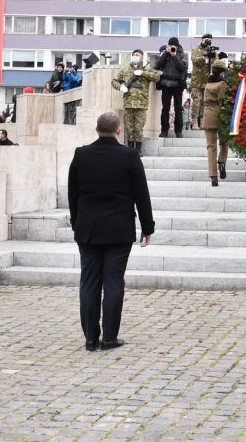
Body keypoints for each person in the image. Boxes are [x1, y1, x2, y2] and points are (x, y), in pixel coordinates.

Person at [68, 112, 154, 351]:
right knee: (114, 281)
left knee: (89, 283)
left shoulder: (81, 155)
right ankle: (109, 338)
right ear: (119, 131)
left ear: (96, 129)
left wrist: (77, 223)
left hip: (88, 230)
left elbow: (72, 194)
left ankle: (90, 338)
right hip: (119, 230)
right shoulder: (129, 156)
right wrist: (148, 228)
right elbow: (141, 195)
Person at [112, 49, 162, 155]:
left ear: (142, 57)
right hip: (129, 103)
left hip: (141, 103)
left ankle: (138, 150)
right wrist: (120, 87)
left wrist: (143, 73)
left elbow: (157, 77)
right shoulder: (125, 70)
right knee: (129, 128)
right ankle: (130, 150)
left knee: (139, 128)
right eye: (133, 55)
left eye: (137, 55)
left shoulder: (147, 69)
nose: (135, 56)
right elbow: (114, 81)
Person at [201, 59, 230, 187]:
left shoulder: (208, 83)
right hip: (220, 115)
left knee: (211, 147)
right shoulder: (222, 84)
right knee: (224, 142)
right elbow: (223, 100)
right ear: (222, 72)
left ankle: (213, 176)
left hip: (208, 115)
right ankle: (222, 162)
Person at [153, 37, 189, 138]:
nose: (173, 48)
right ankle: (164, 130)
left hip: (178, 84)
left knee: (178, 108)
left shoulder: (183, 54)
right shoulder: (164, 54)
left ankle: (178, 131)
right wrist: (165, 53)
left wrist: (175, 56)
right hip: (165, 84)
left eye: (175, 46)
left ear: (178, 46)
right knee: (165, 108)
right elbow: (156, 66)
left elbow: (183, 68)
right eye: (171, 46)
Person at [190, 34, 214, 130]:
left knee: (205, 102)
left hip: (207, 80)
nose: (208, 41)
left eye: (210, 40)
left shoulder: (212, 51)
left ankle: (203, 121)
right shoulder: (196, 49)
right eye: (206, 40)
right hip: (197, 80)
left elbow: (215, 63)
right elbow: (194, 61)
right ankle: (194, 122)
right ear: (202, 40)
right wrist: (203, 55)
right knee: (196, 101)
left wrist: (211, 55)